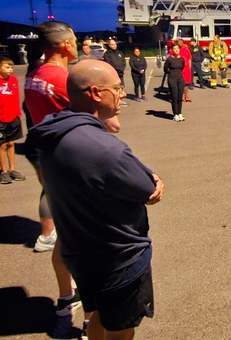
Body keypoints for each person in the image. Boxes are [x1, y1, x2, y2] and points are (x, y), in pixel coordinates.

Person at [29, 60, 164, 340]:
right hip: (117, 258)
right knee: (121, 330)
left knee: (99, 316)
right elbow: (146, 190)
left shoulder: (53, 131)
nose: (122, 93)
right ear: (95, 93)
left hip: (80, 252)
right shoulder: (105, 150)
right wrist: (155, 181)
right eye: (116, 88)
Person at [23, 20, 80, 317]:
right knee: (84, 239)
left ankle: (65, 294)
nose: (77, 44)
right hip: (72, 164)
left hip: (49, 159)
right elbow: (93, 121)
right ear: (63, 45)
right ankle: (89, 315)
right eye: (73, 40)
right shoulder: (62, 80)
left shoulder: (33, 75)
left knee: (66, 236)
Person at [0, 57, 26, 185]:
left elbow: (16, 97)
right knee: (2, 145)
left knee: (11, 143)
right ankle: (4, 171)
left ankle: (12, 169)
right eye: (7, 67)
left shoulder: (13, 80)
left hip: (13, 117)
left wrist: (17, 114)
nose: (10, 69)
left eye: (11, 67)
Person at [164, 45, 186, 121]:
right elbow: (165, 69)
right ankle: (175, 114)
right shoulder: (169, 59)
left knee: (180, 97)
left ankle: (180, 113)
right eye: (174, 49)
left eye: (177, 48)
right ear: (172, 50)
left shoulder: (181, 59)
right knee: (174, 97)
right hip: (172, 79)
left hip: (180, 79)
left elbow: (182, 67)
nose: (176, 50)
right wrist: (170, 73)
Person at [103, 39, 128, 106]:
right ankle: (114, 101)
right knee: (114, 88)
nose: (114, 46)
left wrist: (121, 69)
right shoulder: (107, 54)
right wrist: (116, 70)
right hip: (113, 74)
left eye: (115, 44)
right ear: (109, 45)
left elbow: (123, 62)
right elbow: (109, 63)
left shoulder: (120, 53)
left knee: (121, 87)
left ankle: (120, 100)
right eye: (112, 44)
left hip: (120, 73)